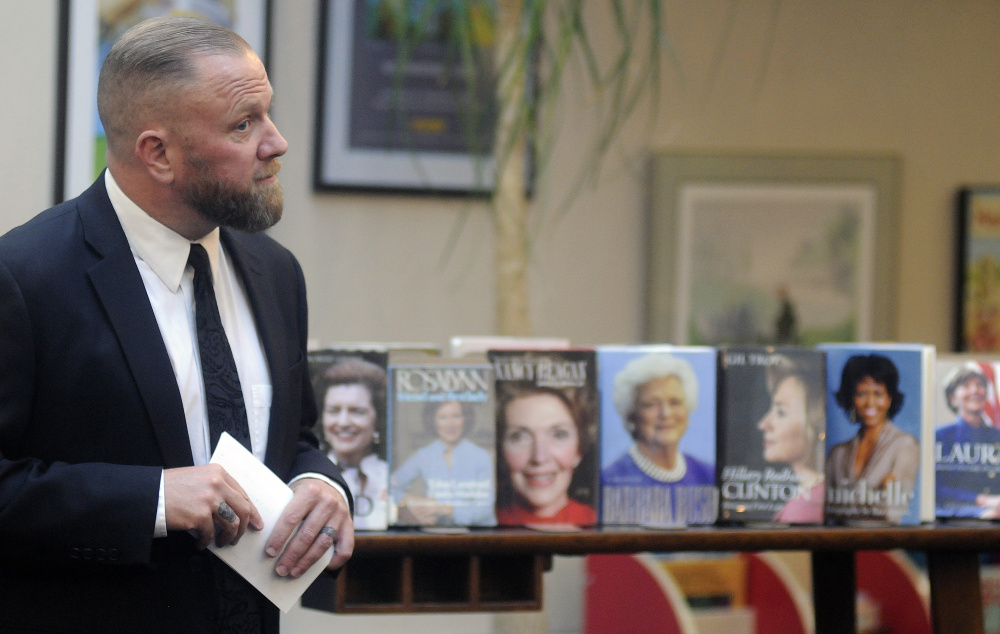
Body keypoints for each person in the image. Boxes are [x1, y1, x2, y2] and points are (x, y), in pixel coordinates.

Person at [0, 17, 353, 633]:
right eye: (244, 125)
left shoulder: (277, 273)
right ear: (157, 153)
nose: (276, 142)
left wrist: (321, 482)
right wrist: (154, 500)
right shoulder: (24, 278)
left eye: (266, 114)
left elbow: (295, 437)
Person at [826, 354, 919, 524]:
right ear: (851, 398)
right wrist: (875, 500)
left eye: (878, 393)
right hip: (839, 544)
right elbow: (826, 510)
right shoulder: (837, 454)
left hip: (883, 544)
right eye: (862, 393)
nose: (870, 402)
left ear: (889, 399)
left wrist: (846, 506)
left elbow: (894, 512)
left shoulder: (905, 446)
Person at [602, 354, 714, 488]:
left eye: (675, 402)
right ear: (631, 414)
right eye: (651, 404)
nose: (665, 414)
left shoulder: (707, 475)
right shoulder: (609, 479)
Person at [496, 386, 598, 525]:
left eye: (559, 435)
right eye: (519, 437)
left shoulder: (599, 523)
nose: (539, 457)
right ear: (502, 452)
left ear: (579, 450)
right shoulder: (483, 526)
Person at [390, 400, 496, 526]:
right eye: (442, 417)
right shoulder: (424, 455)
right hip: (436, 533)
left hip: (477, 535)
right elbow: (387, 487)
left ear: (465, 419)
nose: (450, 424)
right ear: (433, 422)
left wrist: (445, 510)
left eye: (456, 416)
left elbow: (487, 510)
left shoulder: (481, 456)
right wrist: (411, 502)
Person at [316, 356, 389, 530]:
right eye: (333, 410)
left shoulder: (394, 477)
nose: (343, 422)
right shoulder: (309, 478)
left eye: (357, 411)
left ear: (377, 418)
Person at [757, 356, 826, 523]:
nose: (763, 424)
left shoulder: (805, 509)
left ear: (815, 424)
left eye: (781, 413)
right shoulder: (811, 498)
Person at [935, 364, 1000, 518]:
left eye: (979, 385)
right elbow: (935, 489)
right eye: (966, 386)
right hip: (952, 517)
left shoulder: (997, 436)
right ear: (952, 398)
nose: (975, 390)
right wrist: (982, 501)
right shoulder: (939, 436)